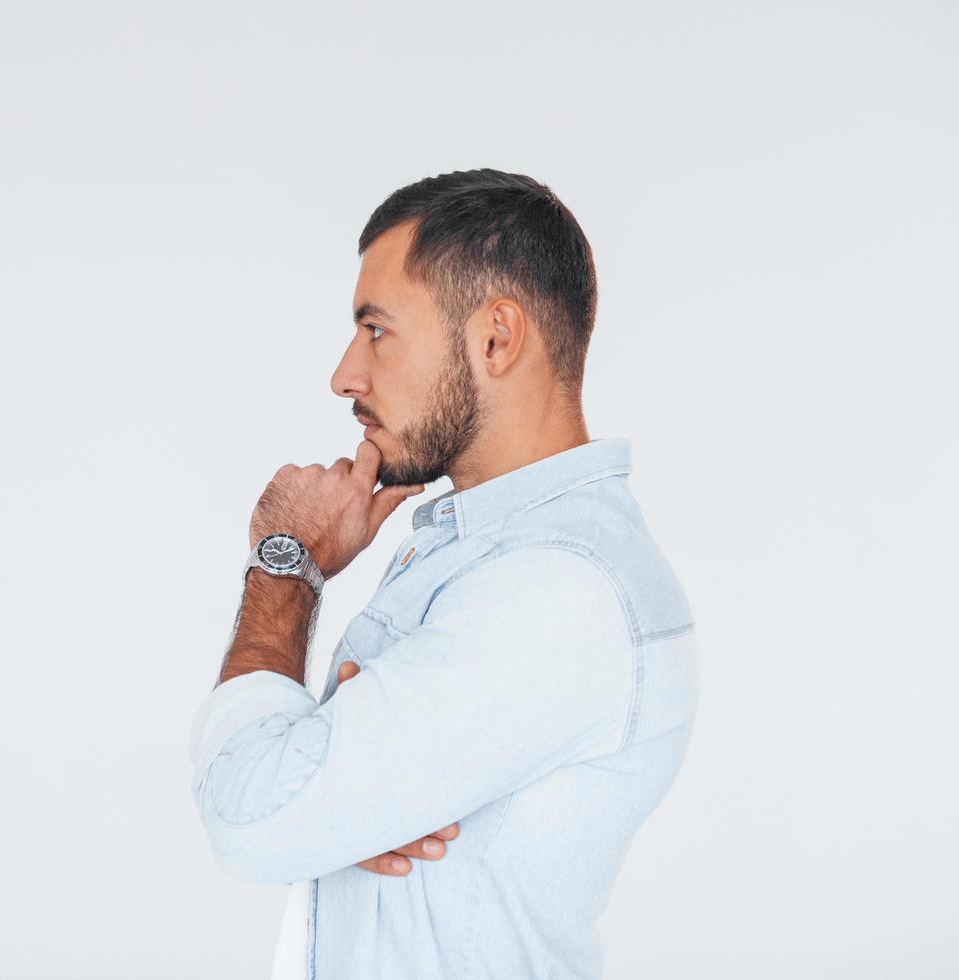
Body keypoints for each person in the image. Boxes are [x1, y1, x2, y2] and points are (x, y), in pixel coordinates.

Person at [187, 168, 700, 979]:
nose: (345, 374)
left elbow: (255, 815)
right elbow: (298, 807)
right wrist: (347, 795)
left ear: (496, 338)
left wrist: (284, 564)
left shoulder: (558, 587)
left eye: (377, 330)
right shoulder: (481, 555)